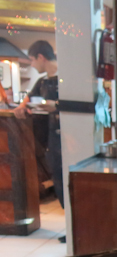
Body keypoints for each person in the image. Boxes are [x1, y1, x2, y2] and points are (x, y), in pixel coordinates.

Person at [14, 41, 63, 241]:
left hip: (65, 138)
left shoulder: (66, 79)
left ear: (41, 57)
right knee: (58, 180)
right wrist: (22, 107)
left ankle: (75, 227)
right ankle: (71, 226)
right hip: (50, 139)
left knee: (64, 180)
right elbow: (25, 102)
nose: (32, 65)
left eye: (33, 60)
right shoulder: (42, 82)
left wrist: (56, 105)